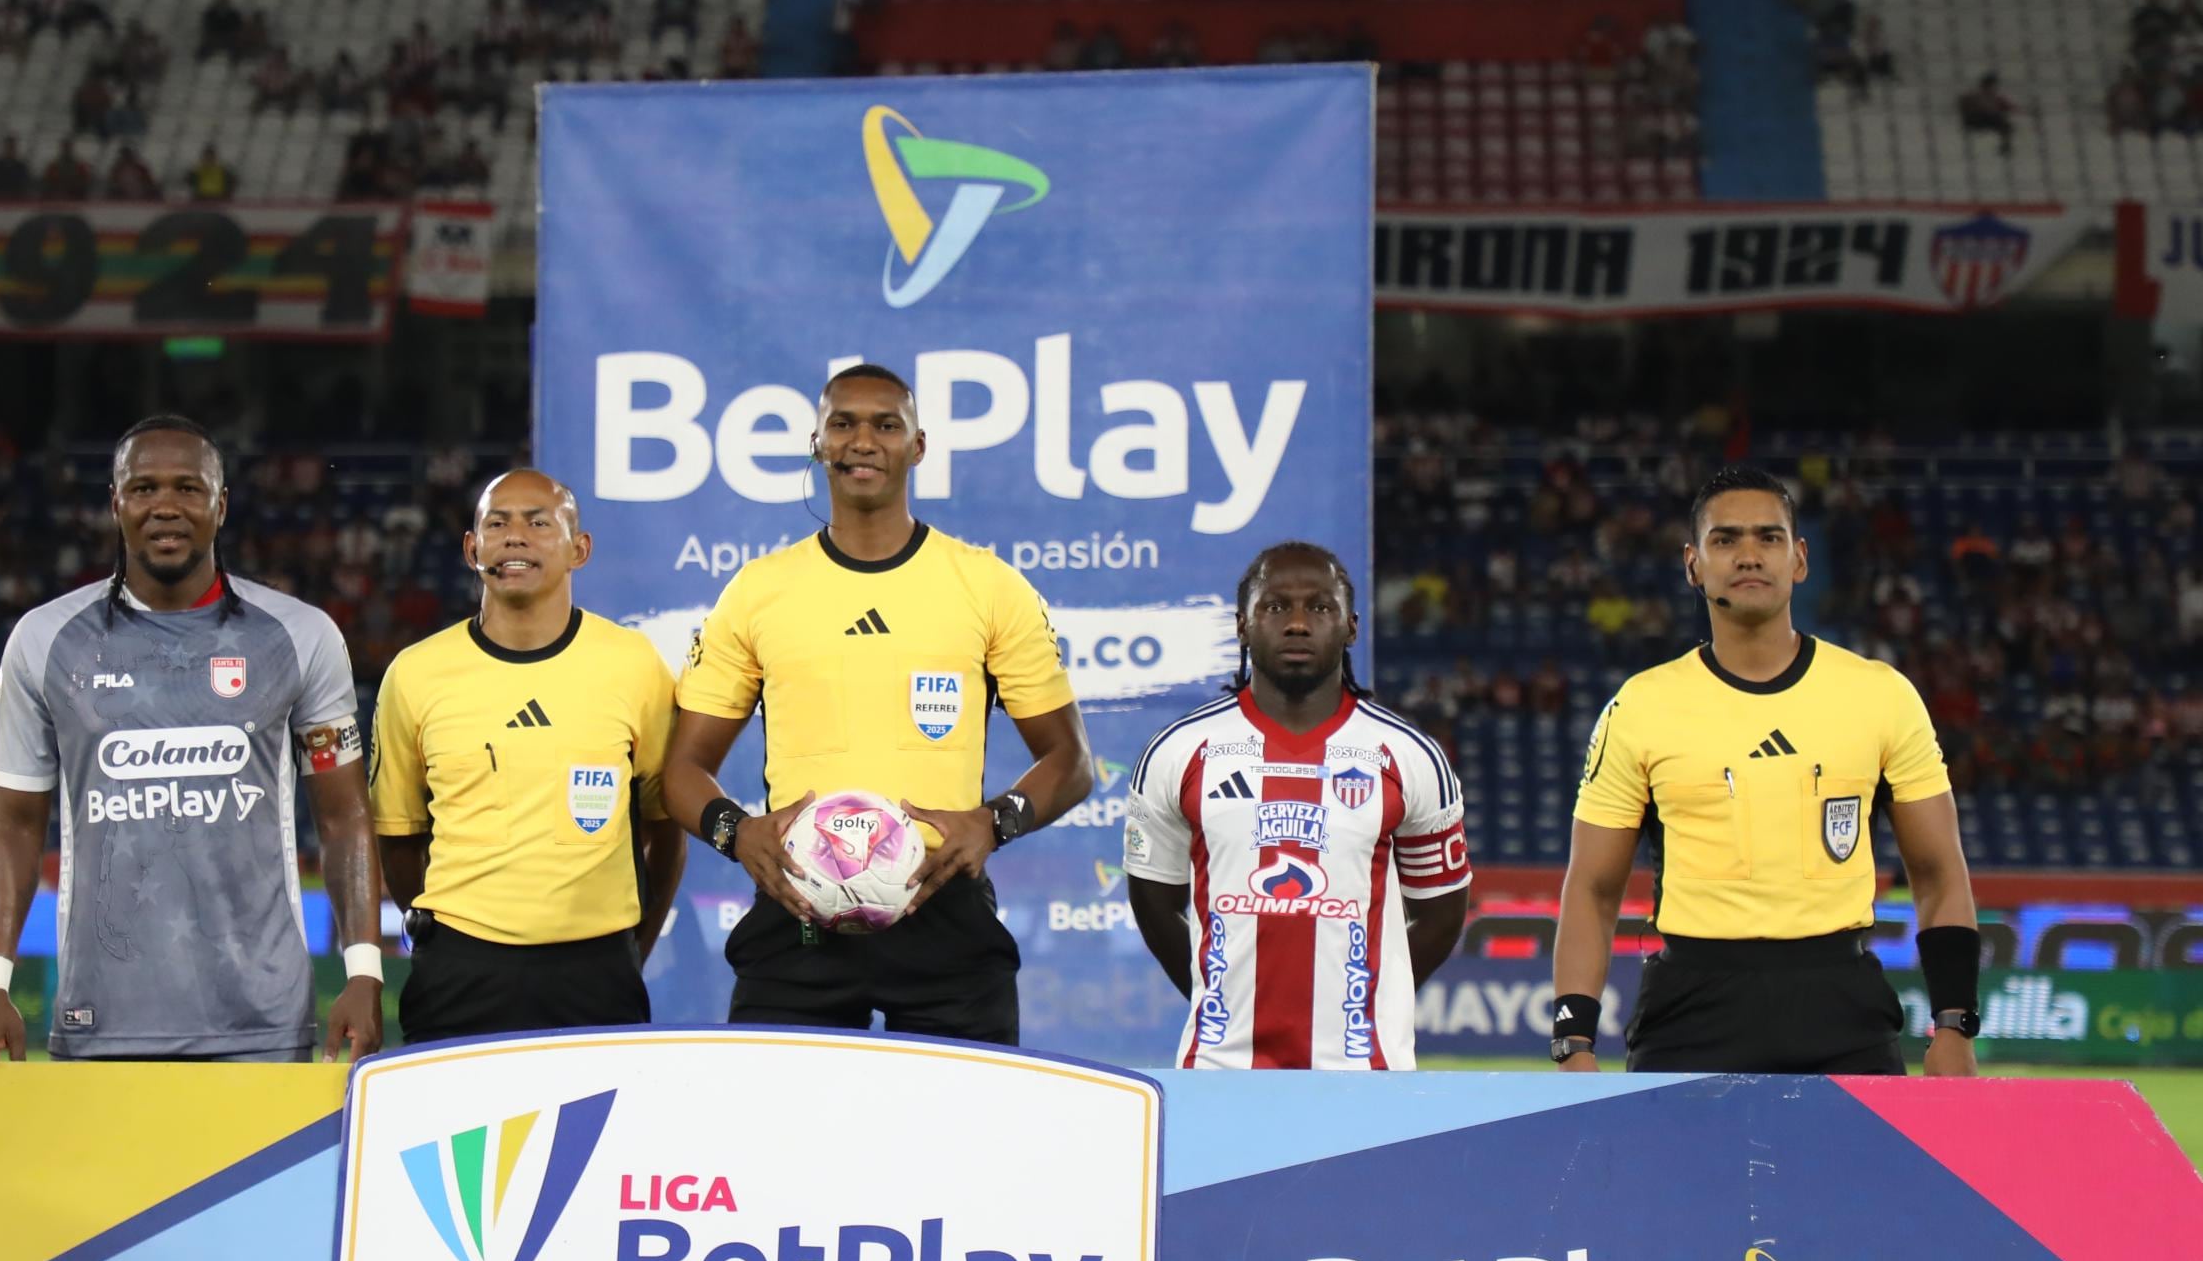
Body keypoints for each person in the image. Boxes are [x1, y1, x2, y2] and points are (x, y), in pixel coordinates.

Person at [661, 365, 1094, 1045]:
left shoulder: (986, 585)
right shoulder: (758, 591)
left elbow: (1069, 762)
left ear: (917, 447)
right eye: (844, 424)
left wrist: (993, 823)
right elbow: (683, 768)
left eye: (886, 425)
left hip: (943, 903)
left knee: (968, 1142)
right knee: (770, 1143)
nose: (864, 440)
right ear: (817, 444)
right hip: (798, 906)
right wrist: (737, 833)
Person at [0, 416, 384, 1064]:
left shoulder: (301, 637)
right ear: (115, 504)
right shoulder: (42, 641)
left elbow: (344, 815)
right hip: (100, 1016)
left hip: (263, 1022)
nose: (166, 505)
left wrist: (364, 970)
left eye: (189, 489)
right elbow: (16, 821)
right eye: (144, 489)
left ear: (221, 506)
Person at [1550, 467, 1984, 1078]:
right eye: (1725, 540)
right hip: (1691, 1014)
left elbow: (1939, 872)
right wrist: (1573, 1042)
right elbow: (1592, 890)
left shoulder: (1881, 695)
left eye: (1769, 537)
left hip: (1844, 1011)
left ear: (1800, 559)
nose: (1748, 555)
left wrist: (1955, 1025)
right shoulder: (1640, 706)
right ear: (1692, 564)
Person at [1121, 542, 1471, 1069]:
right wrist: (1216, 989)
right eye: (1276, 606)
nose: (1299, 624)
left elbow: (1442, 911)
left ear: (1351, 627)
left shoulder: (1408, 756)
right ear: (1242, 625)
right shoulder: (1180, 750)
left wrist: (1372, 997)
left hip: (1363, 1072)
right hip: (1221, 1071)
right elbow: (1153, 901)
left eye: (1321, 607)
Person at [371, 470, 683, 1043]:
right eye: (497, 523)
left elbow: (666, 830)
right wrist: (445, 934)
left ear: (579, 550)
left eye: (539, 523)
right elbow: (398, 836)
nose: (515, 536)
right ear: (472, 549)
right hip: (459, 972)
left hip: (597, 972)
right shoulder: (414, 674)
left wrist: (629, 945)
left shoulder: (634, 664)